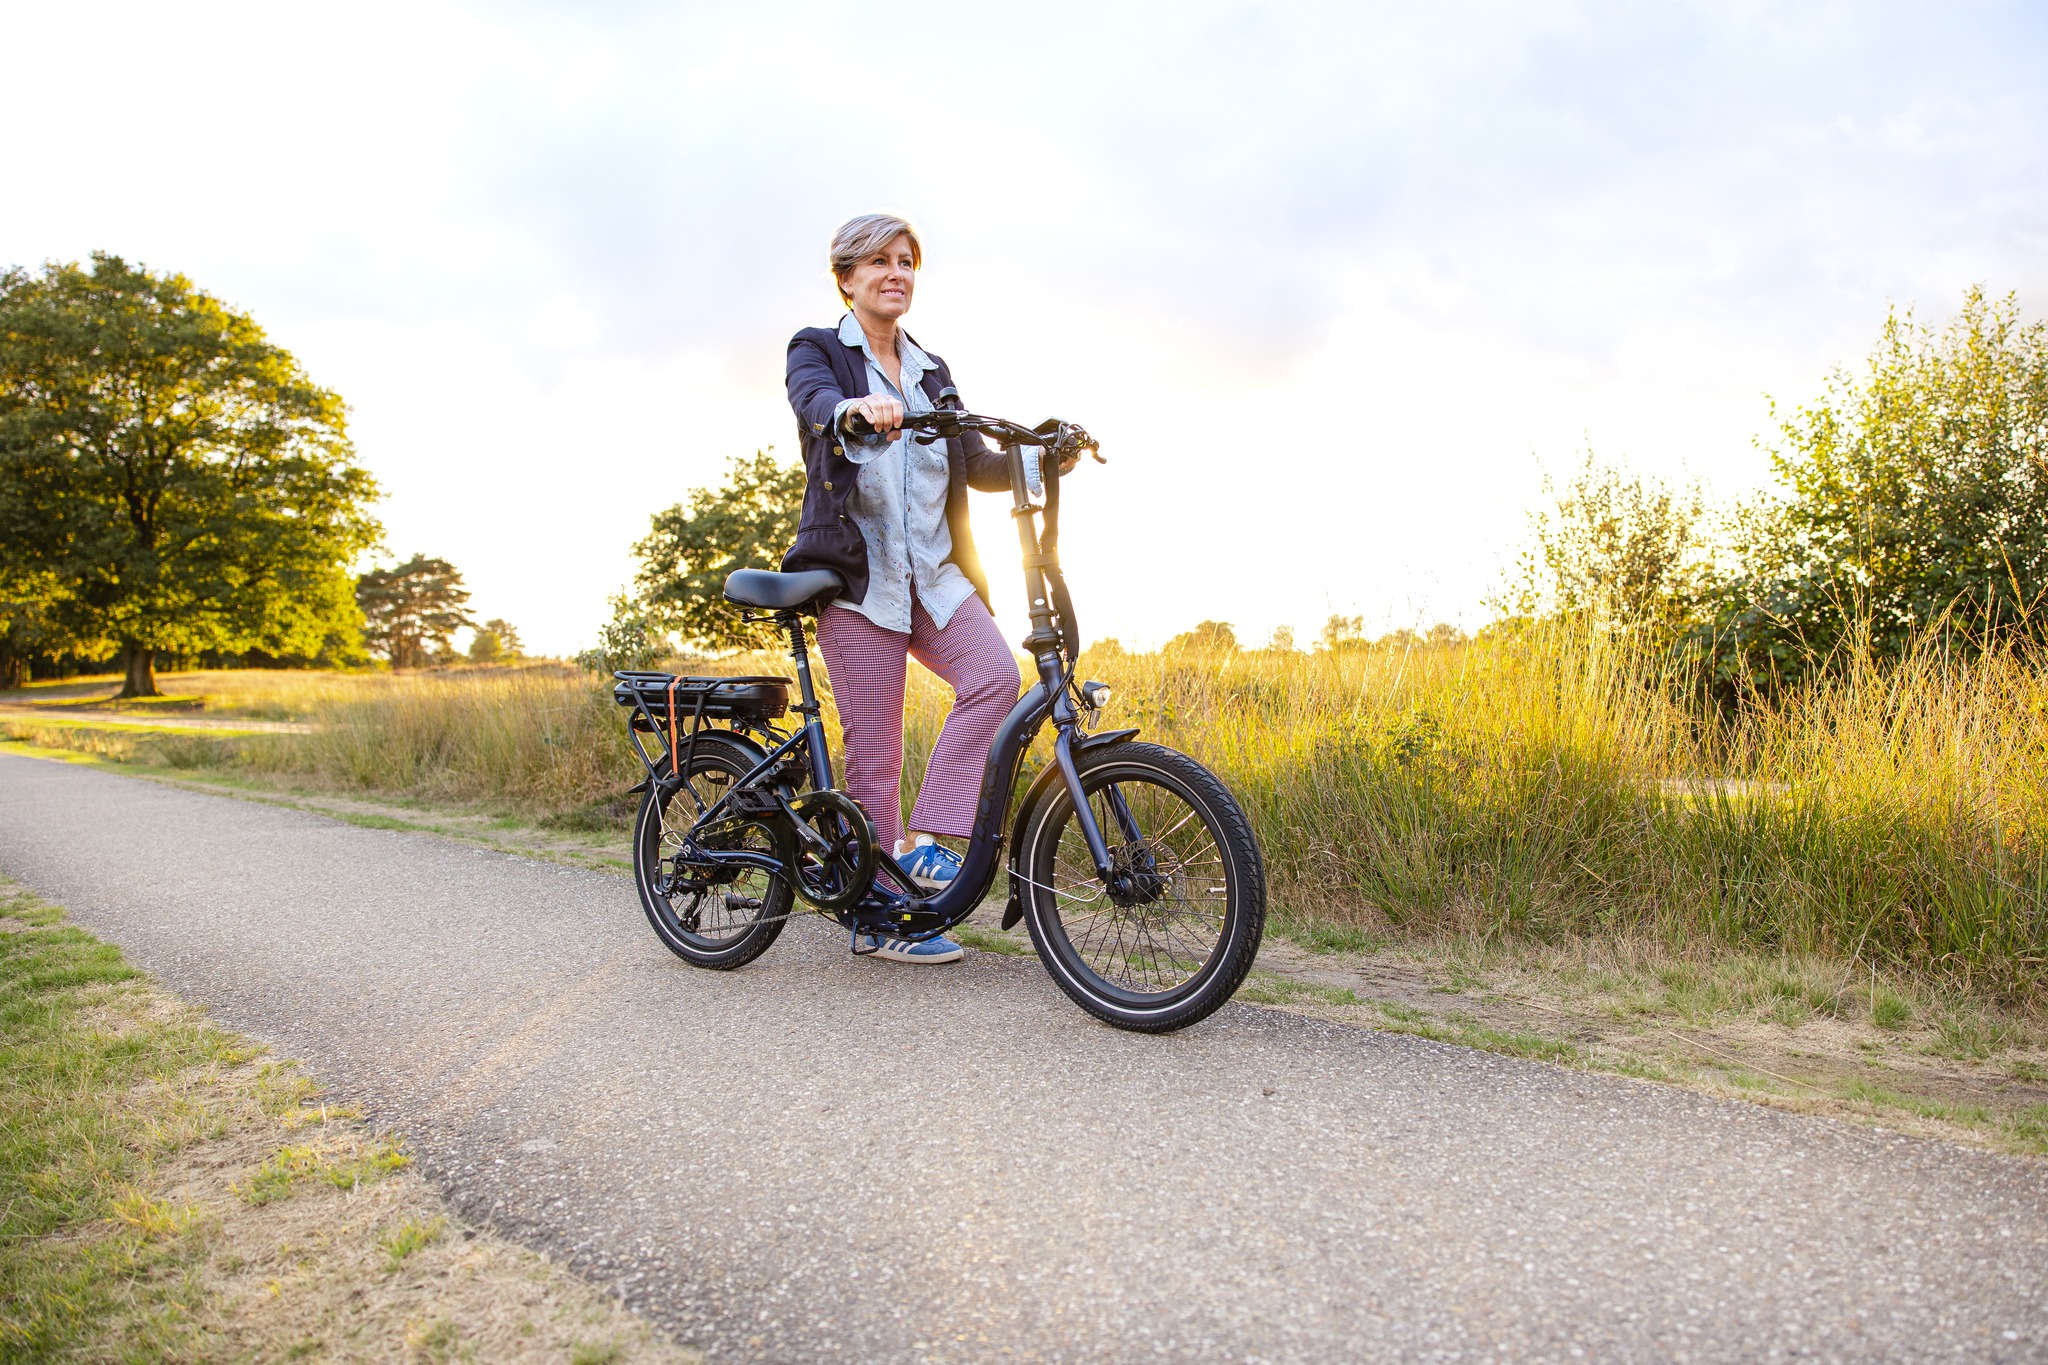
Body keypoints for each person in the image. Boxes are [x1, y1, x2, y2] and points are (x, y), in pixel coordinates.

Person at [782, 212, 1032, 964]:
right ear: (847, 277)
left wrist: (1038, 457)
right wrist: (854, 410)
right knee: (877, 755)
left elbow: (976, 465)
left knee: (995, 677)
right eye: (880, 262)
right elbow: (815, 404)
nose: (897, 273)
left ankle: (923, 844)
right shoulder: (818, 349)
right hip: (861, 579)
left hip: (934, 575)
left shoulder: (932, 371)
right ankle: (874, 916)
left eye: (907, 262)